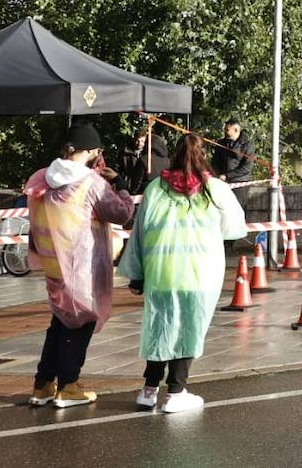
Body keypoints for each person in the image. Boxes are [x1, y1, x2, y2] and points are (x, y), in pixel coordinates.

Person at [118, 133, 247, 412]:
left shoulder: (155, 188)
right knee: (189, 327)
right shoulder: (214, 189)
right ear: (204, 157)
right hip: (199, 274)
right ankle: (176, 392)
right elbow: (235, 227)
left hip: (160, 272)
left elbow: (140, 232)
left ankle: (148, 390)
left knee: (159, 327)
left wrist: (137, 274)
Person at [25, 123, 134, 408]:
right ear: (93, 152)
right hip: (83, 266)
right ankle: (69, 386)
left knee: (60, 321)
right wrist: (120, 185)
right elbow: (121, 213)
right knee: (81, 321)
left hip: (53, 264)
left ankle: (43, 384)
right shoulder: (90, 183)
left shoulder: (42, 178)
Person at [116, 127, 169, 197]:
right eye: (138, 141)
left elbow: (137, 183)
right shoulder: (125, 153)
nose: (139, 144)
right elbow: (118, 168)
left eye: (142, 141)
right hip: (129, 186)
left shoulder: (144, 159)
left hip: (142, 194)